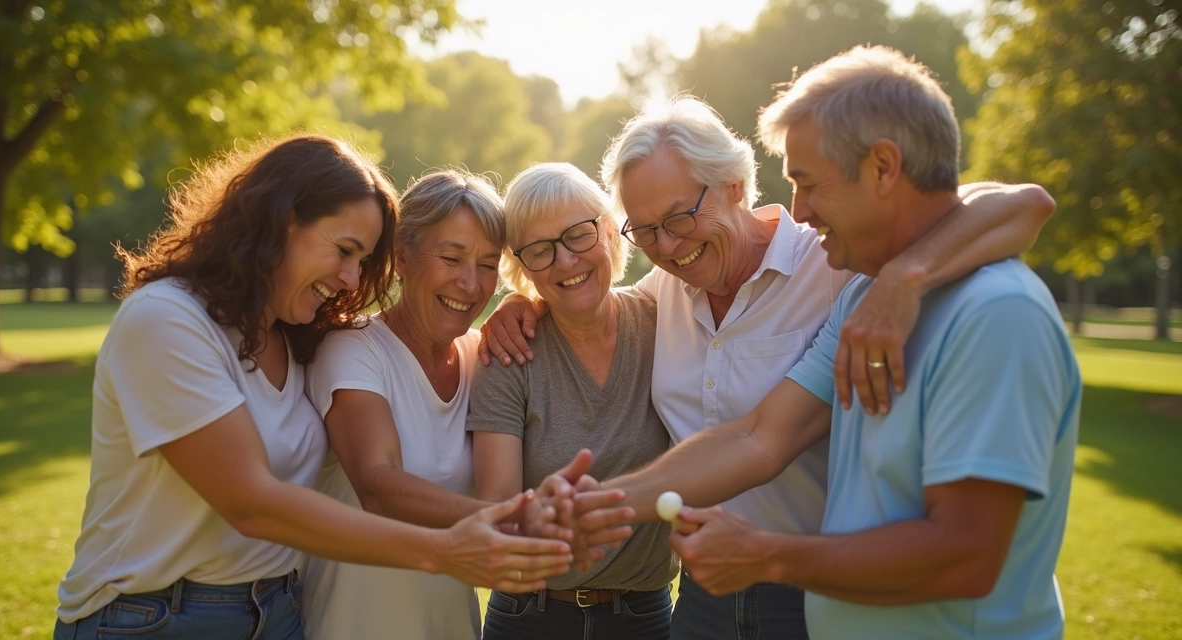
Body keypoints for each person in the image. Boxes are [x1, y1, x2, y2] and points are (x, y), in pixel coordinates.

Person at [480, 93, 1054, 638]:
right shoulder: (663, 292)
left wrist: (907, 274)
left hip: (813, 580)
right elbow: (582, 296)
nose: (668, 246)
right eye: (647, 229)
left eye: (679, 217)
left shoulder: (831, 261)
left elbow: (1022, 204)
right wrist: (523, 302)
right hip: (702, 595)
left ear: (734, 185)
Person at [53, 137, 573, 640]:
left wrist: (522, 303)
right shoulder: (166, 320)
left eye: (361, 260)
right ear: (278, 222)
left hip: (276, 612)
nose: (352, 279)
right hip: (155, 616)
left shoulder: (295, 338)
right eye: (344, 251)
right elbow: (253, 502)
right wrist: (456, 543)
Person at [301, 169, 517, 639]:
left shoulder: (484, 358)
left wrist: (526, 304)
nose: (471, 284)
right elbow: (378, 485)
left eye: (487, 264)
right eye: (451, 258)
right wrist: (506, 520)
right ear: (402, 256)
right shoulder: (353, 349)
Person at [467, 163, 678, 639]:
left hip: (644, 616)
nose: (565, 261)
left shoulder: (668, 324)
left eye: (578, 235)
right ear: (522, 268)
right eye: (539, 250)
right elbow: (495, 506)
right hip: (528, 616)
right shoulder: (508, 354)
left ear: (610, 233)